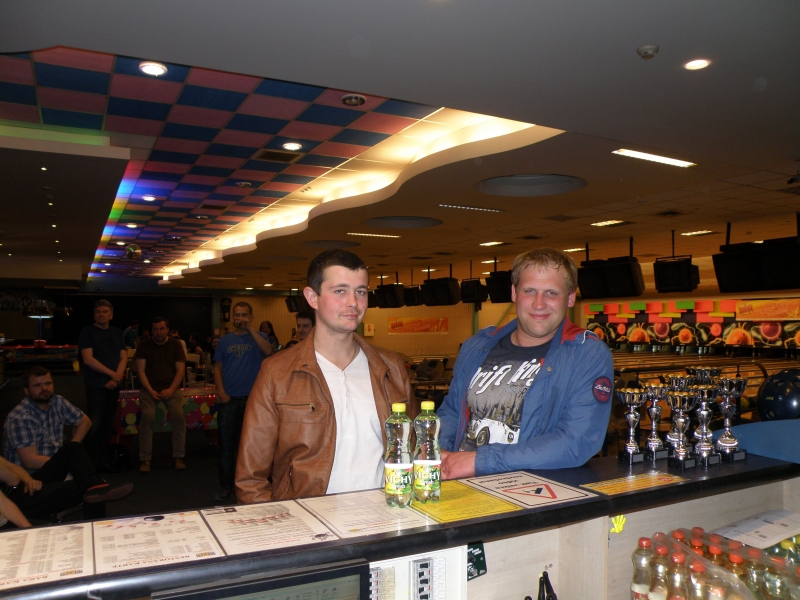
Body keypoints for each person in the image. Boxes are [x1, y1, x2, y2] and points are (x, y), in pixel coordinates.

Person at [236, 249, 413, 503]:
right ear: (312, 297)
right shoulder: (277, 372)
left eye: (361, 292)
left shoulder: (391, 368)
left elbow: (414, 450)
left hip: (386, 514)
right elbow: (250, 479)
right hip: (309, 518)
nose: (353, 302)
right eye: (340, 291)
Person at [438, 248, 614, 479]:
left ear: (570, 297)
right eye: (529, 290)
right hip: (458, 483)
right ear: (514, 292)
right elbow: (452, 411)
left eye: (551, 293)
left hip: (527, 490)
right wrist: (437, 451)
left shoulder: (587, 354)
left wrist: (480, 461)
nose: (539, 304)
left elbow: (576, 441)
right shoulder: (477, 346)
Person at [2, 366, 133, 521]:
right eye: (37, 385)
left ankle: (92, 510)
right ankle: (90, 518)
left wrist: (70, 459)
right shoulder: (20, 417)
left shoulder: (57, 402)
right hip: (31, 480)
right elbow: (29, 461)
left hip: (52, 469)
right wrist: (68, 462)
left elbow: (85, 422)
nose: (44, 388)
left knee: (89, 479)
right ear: (26, 390)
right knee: (89, 484)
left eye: (47, 383)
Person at [213, 302, 273, 501]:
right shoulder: (225, 340)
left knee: (251, 446)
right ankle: (226, 487)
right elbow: (217, 367)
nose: (240, 318)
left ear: (251, 317)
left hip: (253, 400)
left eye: (244, 315)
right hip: (229, 400)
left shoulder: (260, 337)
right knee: (226, 447)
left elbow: (268, 351)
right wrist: (221, 392)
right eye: (237, 315)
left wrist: (251, 330)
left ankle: (249, 485)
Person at [77, 299, 128, 467]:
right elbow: (88, 359)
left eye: (105, 312)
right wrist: (113, 375)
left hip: (114, 385)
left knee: (107, 425)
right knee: (94, 425)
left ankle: (101, 460)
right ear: (94, 315)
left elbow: (123, 357)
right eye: (98, 312)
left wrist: (116, 378)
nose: (101, 315)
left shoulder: (117, 332)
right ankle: (88, 463)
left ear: (111, 315)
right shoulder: (87, 332)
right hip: (96, 385)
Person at [135, 318, 187, 472]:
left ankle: (178, 456)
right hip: (148, 389)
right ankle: (145, 459)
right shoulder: (143, 345)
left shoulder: (176, 345)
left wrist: (171, 389)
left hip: (172, 388)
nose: (158, 332)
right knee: (147, 416)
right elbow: (140, 371)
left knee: (178, 416)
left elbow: (180, 371)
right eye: (155, 329)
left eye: (162, 328)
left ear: (167, 330)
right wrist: (150, 390)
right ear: (151, 330)